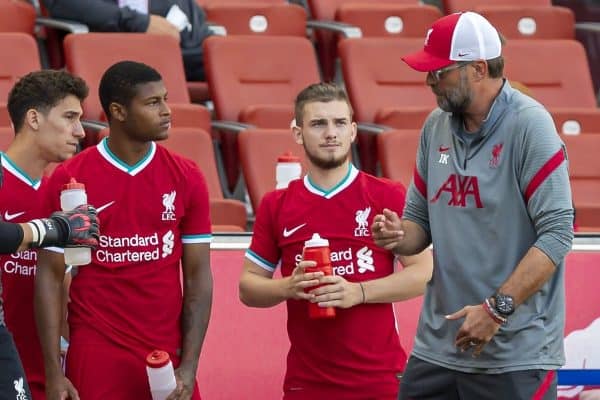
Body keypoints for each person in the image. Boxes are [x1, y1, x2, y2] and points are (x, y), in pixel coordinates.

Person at [372, 11, 574, 400]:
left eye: (440, 71)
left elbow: (558, 234)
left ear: (479, 69)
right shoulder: (435, 125)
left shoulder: (531, 125)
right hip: (437, 349)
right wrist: (397, 235)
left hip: (515, 351)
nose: (430, 81)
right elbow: (418, 224)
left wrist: (496, 310)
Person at [239, 82, 433, 400]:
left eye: (339, 123)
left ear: (353, 130)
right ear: (298, 133)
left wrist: (358, 292)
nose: (331, 133)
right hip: (307, 383)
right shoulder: (277, 204)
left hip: (380, 379)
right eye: (318, 123)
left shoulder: (386, 194)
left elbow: (424, 273)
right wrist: (288, 287)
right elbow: (248, 287)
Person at [35, 61, 213, 400]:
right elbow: (49, 275)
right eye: (152, 103)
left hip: (165, 351)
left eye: (165, 99)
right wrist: (53, 373)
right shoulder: (70, 178)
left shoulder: (187, 176)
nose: (166, 111)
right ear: (117, 111)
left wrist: (189, 366)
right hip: (98, 347)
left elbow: (198, 277)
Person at [0, 70, 99, 400]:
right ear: (33, 118)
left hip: (42, 375)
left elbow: (62, 285)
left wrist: (59, 369)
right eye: (69, 117)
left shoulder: (65, 196)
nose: (80, 131)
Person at [44, 0, 212, 81]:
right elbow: (62, 3)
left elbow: (193, 18)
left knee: (220, 57)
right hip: (110, 51)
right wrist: (138, 22)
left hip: (170, 55)